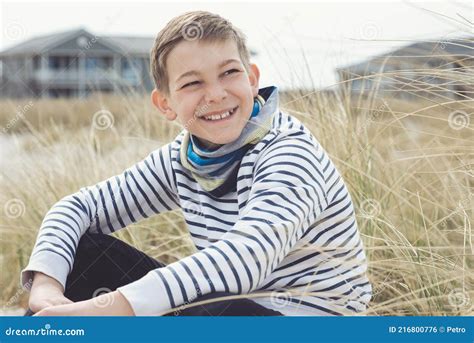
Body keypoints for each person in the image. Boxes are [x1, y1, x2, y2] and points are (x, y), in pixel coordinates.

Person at [22, 10, 372, 316]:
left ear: (252, 79)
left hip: (304, 323)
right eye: (192, 83)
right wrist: (46, 287)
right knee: (85, 254)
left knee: (219, 304)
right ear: (165, 104)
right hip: (228, 310)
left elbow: (244, 260)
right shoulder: (184, 157)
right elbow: (80, 207)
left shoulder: (289, 152)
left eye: (229, 73)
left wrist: (113, 307)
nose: (216, 93)